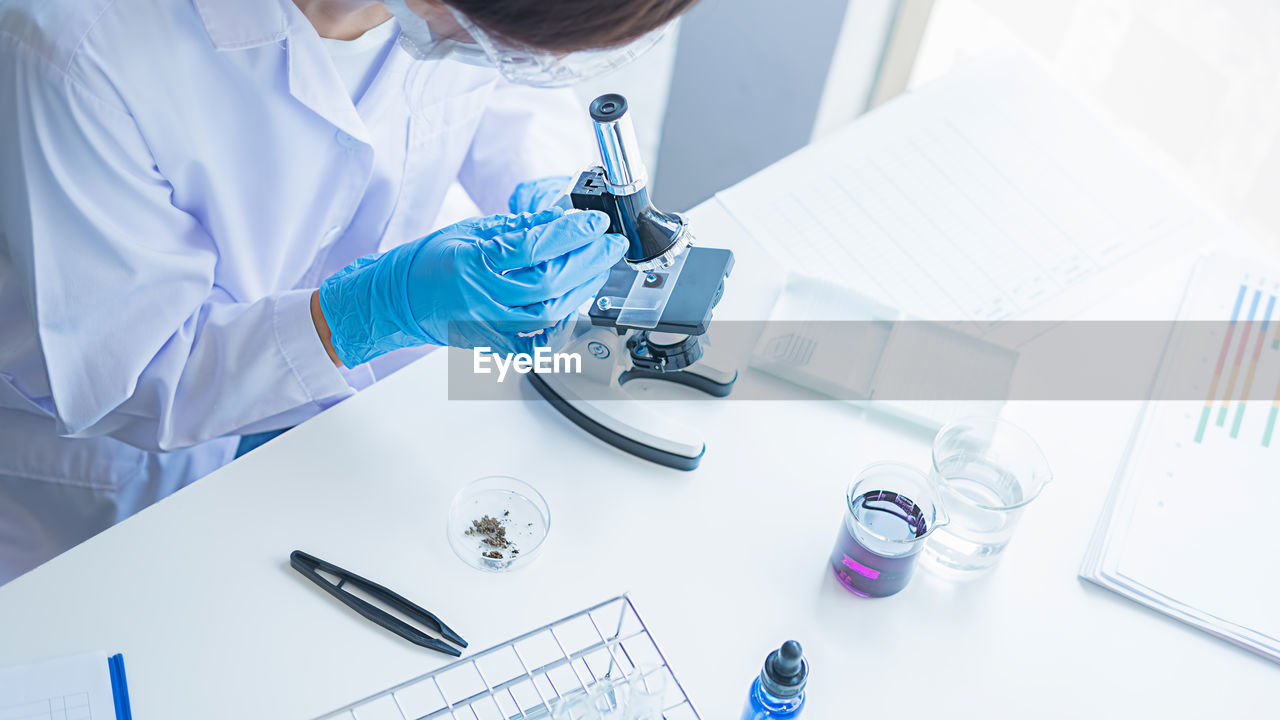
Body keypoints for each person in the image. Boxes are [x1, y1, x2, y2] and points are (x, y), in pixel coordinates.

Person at [0, 0, 696, 584]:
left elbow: (504, 78)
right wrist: (375, 310)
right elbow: (136, 375)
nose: (502, 52)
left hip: (347, 420)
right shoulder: (74, 45)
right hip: (128, 477)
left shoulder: (458, 19)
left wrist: (554, 188)